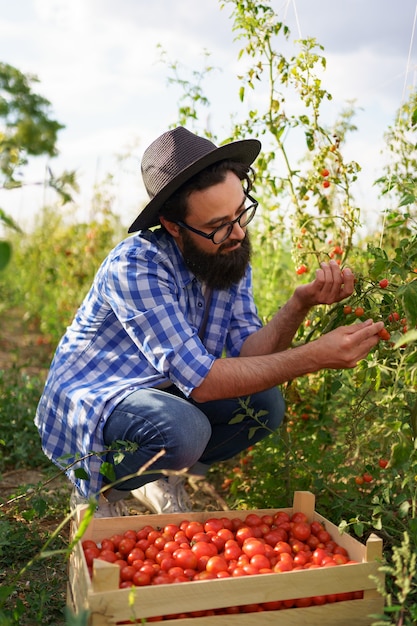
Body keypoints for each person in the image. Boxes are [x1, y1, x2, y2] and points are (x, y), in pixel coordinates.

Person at [35, 126, 384, 517]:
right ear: (173, 226)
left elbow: (248, 352)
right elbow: (203, 384)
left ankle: (161, 478)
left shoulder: (226, 253)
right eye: (219, 224)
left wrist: (299, 303)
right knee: (184, 429)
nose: (237, 232)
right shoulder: (136, 266)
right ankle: (96, 490)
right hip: (99, 398)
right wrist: (314, 356)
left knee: (263, 404)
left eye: (240, 214)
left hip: (162, 387)